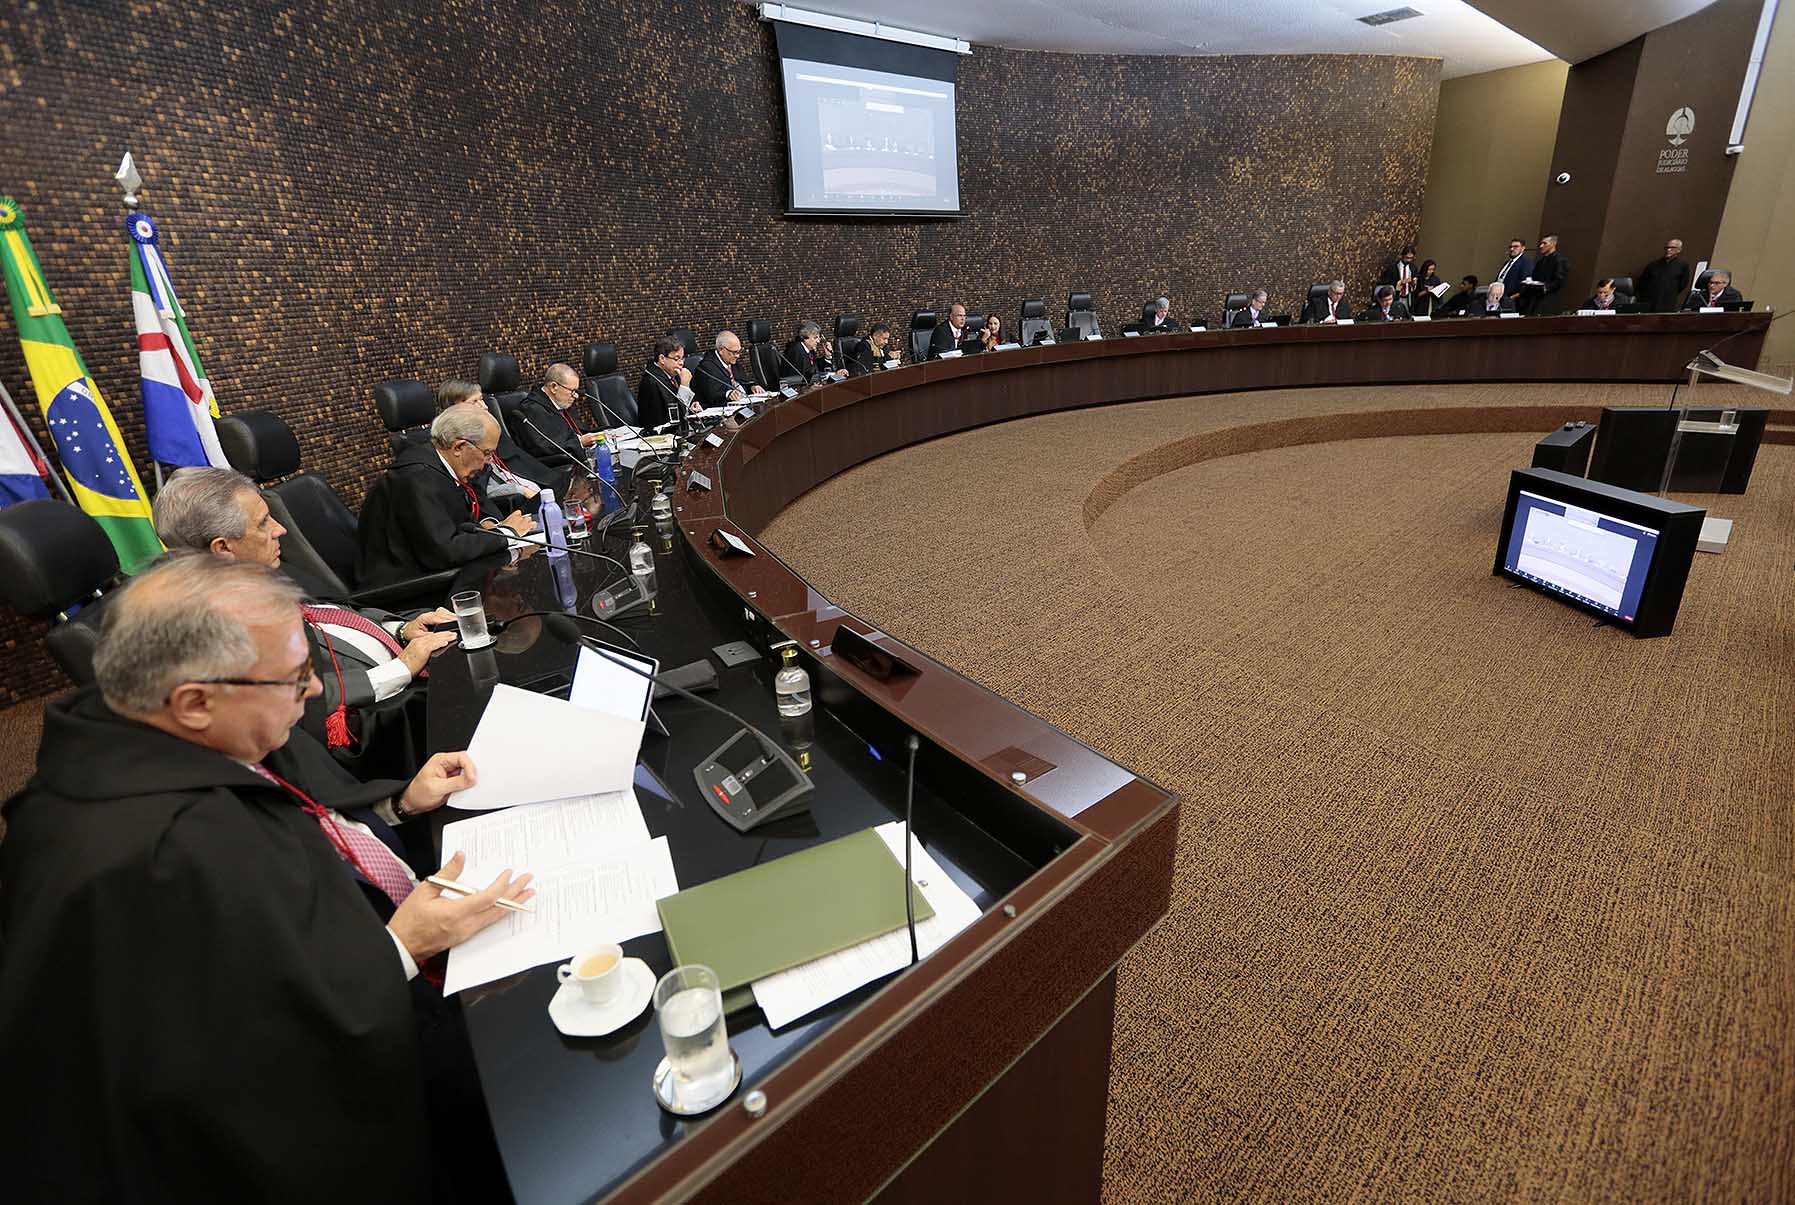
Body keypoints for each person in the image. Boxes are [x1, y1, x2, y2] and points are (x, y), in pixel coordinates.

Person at [0, 554, 533, 1200]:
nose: (313, 692)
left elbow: (304, 811)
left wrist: (397, 803)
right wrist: (398, 945)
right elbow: (249, 1060)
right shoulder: (153, 857)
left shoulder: (158, 725)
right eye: (296, 676)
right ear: (194, 701)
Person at [155, 466, 456, 781]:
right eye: (263, 523)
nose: (280, 529)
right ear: (223, 549)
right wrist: (400, 670)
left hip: (404, 663)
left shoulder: (256, 568)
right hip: (374, 726)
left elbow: (333, 610)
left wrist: (401, 629)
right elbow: (300, 700)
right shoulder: (213, 627)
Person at [356, 405, 533, 593]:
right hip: (403, 585)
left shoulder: (448, 466)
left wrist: (491, 529)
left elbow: (466, 518)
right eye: (487, 453)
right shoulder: (417, 477)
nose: (488, 462)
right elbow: (445, 551)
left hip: (434, 570)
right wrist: (507, 533)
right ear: (459, 447)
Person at [435, 378, 548, 510]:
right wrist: (519, 489)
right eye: (474, 402)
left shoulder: (486, 428)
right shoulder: (458, 443)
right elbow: (476, 490)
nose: (484, 406)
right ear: (455, 408)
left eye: (481, 399)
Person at [514, 363, 600, 485]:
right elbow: (545, 446)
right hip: (554, 472)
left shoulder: (560, 402)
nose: (575, 396)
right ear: (554, 387)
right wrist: (580, 442)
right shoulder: (531, 410)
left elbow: (577, 431)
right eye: (572, 391)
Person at [636, 334, 699, 429]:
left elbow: (680, 406)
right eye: (676, 359)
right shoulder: (651, 382)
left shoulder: (673, 374)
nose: (681, 363)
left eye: (682, 358)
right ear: (662, 359)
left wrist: (691, 407)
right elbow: (673, 417)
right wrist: (685, 386)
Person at [693, 329, 750, 407]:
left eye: (739, 352)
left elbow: (743, 381)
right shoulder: (706, 368)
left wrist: (752, 386)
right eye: (734, 352)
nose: (738, 356)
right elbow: (713, 395)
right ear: (721, 350)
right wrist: (727, 394)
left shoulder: (733, 363)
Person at [1517, 234, 1569, 315]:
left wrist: (1545, 287)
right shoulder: (1540, 261)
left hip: (1547, 300)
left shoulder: (1559, 261)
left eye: (1545, 243)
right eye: (1541, 243)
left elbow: (1560, 281)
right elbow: (1534, 278)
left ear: (1553, 244)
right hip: (1534, 298)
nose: (1541, 246)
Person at [1637, 238, 1692, 312]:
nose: (1668, 250)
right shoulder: (1653, 265)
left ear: (1679, 250)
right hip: (1649, 302)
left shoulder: (1682, 266)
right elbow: (1642, 282)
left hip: (1668, 302)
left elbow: (1683, 284)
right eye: (1667, 247)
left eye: (1672, 248)